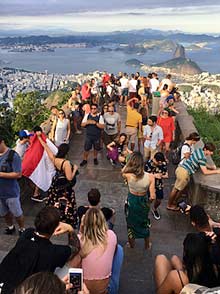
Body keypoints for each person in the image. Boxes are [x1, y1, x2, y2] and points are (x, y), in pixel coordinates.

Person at [0, 207, 81, 294]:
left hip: (5, 282)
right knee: (77, 257)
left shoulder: (27, 233)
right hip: (25, 289)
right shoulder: (53, 252)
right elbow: (75, 248)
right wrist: (70, 229)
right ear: (56, 228)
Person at [154, 233, 219, 294]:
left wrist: (180, 271)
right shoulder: (215, 267)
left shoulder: (178, 277)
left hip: (190, 289)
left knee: (161, 259)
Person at [37, 133, 78, 228]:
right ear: (67, 153)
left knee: (56, 200)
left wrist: (39, 138)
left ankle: (55, 217)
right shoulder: (66, 163)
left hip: (56, 183)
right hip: (64, 186)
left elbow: (46, 147)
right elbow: (69, 178)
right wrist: (75, 169)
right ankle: (67, 218)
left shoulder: (55, 159)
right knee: (66, 201)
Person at [168, 143, 220, 211]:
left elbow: (202, 164)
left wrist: (211, 167)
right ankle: (170, 205)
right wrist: (216, 171)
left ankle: (173, 203)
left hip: (181, 169)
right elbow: (205, 172)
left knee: (178, 189)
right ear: (205, 149)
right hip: (184, 173)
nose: (211, 153)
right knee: (176, 189)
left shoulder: (198, 151)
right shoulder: (202, 157)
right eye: (210, 151)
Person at [79, 208, 117, 294]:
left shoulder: (79, 239)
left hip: (83, 289)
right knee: (120, 251)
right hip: (103, 288)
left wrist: (81, 227)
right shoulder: (111, 235)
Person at [122, 152, 156, 249]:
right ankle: (146, 245)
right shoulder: (150, 177)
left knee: (130, 223)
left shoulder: (127, 175)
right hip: (143, 201)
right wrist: (149, 203)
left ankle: (131, 244)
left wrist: (128, 162)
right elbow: (152, 196)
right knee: (144, 223)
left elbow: (123, 169)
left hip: (131, 200)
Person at [0, 135, 25, 235]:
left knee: (17, 213)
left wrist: (1, 174)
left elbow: (18, 174)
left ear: (2, 142)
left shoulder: (13, 156)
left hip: (11, 192)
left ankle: (22, 228)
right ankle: (10, 227)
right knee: (4, 213)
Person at [145, 152, 168, 220]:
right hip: (149, 184)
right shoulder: (148, 164)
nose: (160, 164)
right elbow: (144, 174)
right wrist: (154, 176)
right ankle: (145, 210)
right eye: (159, 162)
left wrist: (162, 176)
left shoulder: (163, 163)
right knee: (150, 198)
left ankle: (154, 209)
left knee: (159, 199)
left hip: (158, 184)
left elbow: (166, 175)